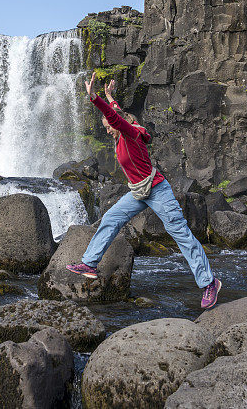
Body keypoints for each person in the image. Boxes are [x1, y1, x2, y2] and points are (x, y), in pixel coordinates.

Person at [66, 73, 222, 309]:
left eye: (107, 126)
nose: (107, 130)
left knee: (179, 232)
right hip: (138, 192)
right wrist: (110, 96)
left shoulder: (130, 134)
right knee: (111, 218)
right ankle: (89, 264)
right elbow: (116, 112)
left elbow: (115, 117)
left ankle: (209, 283)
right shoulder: (124, 131)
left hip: (157, 189)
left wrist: (95, 98)